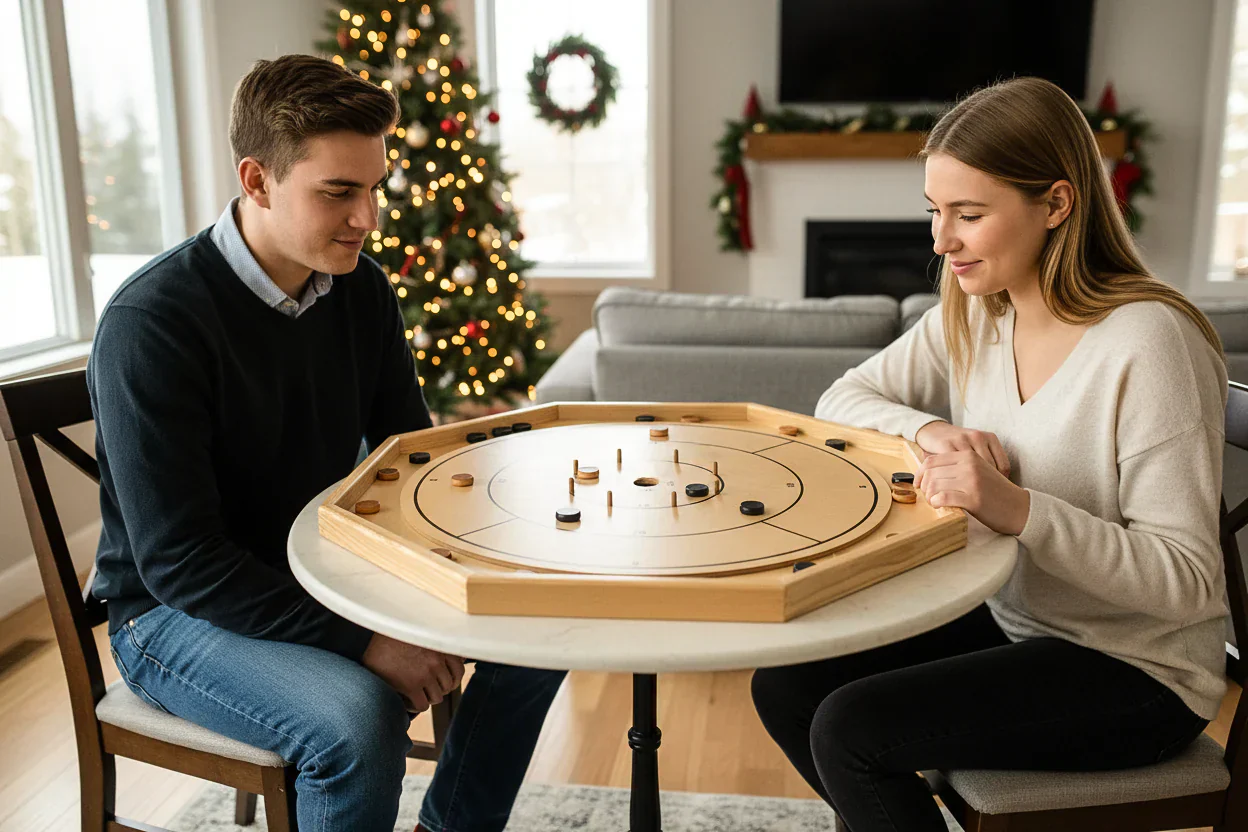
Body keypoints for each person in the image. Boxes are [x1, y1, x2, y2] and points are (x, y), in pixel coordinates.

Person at [88, 54, 565, 832]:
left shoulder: (359, 288)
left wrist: (504, 536)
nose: (366, 218)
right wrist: (367, 641)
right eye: (338, 192)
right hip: (168, 615)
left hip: (320, 572)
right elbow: (180, 563)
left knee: (537, 635)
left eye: (372, 187)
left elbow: (408, 453)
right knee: (357, 721)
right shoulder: (154, 322)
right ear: (257, 181)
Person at [750, 76, 1230, 832]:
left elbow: (1187, 584)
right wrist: (932, 433)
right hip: (1019, 622)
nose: (941, 242)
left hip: (1140, 671)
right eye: (936, 212)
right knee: (788, 685)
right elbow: (842, 398)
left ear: (1057, 204)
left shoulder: (1149, 344)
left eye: (969, 215)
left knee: (851, 729)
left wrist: (1016, 510)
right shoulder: (980, 308)